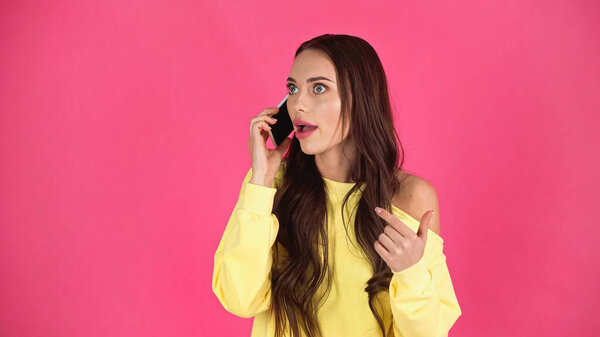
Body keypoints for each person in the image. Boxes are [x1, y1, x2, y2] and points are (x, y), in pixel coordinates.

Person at [212, 34, 462, 337]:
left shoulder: (409, 196)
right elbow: (240, 300)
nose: (298, 104)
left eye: (318, 88)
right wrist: (261, 182)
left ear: (360, 99)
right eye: (293, 89)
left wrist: (411, 273)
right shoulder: (270, 184)